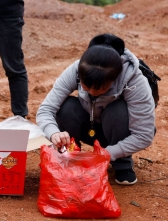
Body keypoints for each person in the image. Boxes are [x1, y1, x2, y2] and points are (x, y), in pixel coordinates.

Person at [36, 33, 156, 185]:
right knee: (66, 107)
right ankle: (70, 157)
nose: (92, 93)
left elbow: (144, 134)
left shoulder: (134, 81)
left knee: (117, 111)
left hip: (117, 132)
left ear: (115, 79)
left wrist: (108, 153)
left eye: (101, 89)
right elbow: (46, 110)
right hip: (90, 126)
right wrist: (54, 133)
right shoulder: (76, 70)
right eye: (86, 87)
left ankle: (122, 164)